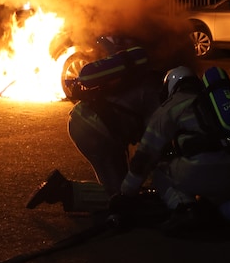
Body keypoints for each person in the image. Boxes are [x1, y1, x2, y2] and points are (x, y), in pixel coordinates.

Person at [112, 65, 230, 241]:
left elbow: (144, 157)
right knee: (211, 210)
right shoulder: (211, 102)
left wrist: (126, 193)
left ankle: (184, 209)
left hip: (204, 171)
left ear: (170, 87)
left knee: (160, 171)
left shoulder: (169, 108)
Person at [26, 45, 166, 216]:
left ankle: (66, 191)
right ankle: (62, 190)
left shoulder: (143, 80)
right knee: (122, 196)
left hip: (87, 121)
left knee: (122, 189)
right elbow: (150, 144)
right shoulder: (155, 96)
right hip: (95, 131)